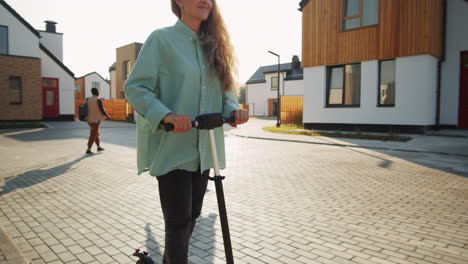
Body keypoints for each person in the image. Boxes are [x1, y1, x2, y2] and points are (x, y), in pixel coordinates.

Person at [123, 0, 248, 263]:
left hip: (205, 151)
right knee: (178, 221)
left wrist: (235, 109)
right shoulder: (161, 40)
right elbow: (136, 87)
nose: (207, 1)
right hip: (174, 150)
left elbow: (226, 92)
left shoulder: (213, 45)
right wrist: (166, 115)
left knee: (191, 217)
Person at [85, 88, 110, 154]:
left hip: (89, 119)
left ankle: (98, 147)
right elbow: (102, 109)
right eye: (98, 91)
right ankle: (88, 149)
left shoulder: (88, 99)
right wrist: (108, 116)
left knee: (96, 133)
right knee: (93, 134)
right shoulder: (98, 100)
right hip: (96, 120)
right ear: (97, 92)